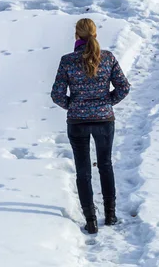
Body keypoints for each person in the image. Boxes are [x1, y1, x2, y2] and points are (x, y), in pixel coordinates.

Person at [51, 18, 130, 234]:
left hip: (77, 122)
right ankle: (111, 215)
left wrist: (74, 106)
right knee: (105, 165)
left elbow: (57, 94)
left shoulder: (67, 61)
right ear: (95, 34)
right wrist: (106, 103)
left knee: (83, 171)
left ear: (77, 35)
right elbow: (123, 87)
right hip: (104, 120)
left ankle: (91, 220)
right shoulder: (107, 58)